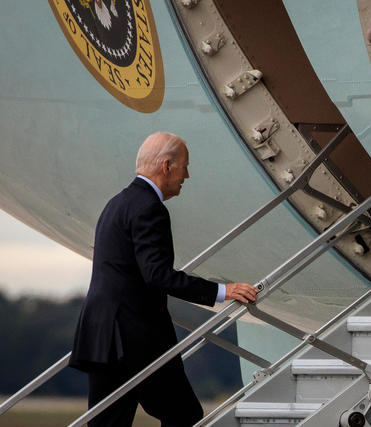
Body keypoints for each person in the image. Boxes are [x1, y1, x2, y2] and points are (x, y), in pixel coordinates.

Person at [69, 132, 257, 426]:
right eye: (185, 166)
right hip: (135, 339)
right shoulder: (148, 208)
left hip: (103, 333)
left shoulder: (117, 203)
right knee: (184, 415)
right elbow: (157, 275)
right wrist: (222, 291)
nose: (188, 175)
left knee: (107, 422)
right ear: (167, 166)